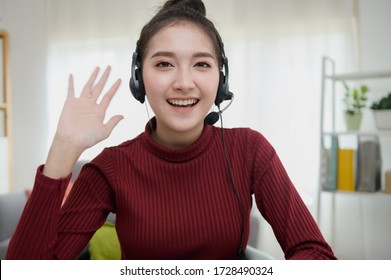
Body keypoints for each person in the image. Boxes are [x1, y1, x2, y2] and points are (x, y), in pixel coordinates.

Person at [6, 0, 336, 260]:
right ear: (139, 78)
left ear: (221, 80)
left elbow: (316, 254)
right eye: (164, 63)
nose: (183, 83)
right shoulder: (111, 168)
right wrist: (64, 148)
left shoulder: (250, 150)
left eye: (202, 64)